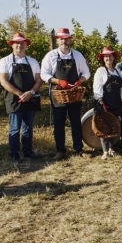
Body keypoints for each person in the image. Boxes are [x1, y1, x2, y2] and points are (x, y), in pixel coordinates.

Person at [41, 27, 91, 160]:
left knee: (75, 122)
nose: (64, 41)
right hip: (58, 96)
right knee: (59, 123)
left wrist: (80, 81)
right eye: (61, 39)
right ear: (57, 40)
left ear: (70, 40)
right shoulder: (51, 56)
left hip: (74, 94)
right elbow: (44, 74)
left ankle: (78, 149)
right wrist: (58, 81)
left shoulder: (77, 55)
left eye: (66, 39)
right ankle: (60, 150)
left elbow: (86, 72)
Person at [0, 32, 42, 164]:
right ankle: (14, 154)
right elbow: (4, 81)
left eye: (22, 43)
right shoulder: (5, 61)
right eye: (16, 43)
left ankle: (27, 151)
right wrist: (19, 93)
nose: (19, 45)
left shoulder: (33, 62)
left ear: (26, 45)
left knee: (28, 127)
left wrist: (31, 92)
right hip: (14, 99)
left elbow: (38, 80)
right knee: (15, 128)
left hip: (30, 98)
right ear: (12, 45)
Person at [93, 47, 122, 160]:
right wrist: (100, 102)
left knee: (115, 126)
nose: (108, 58)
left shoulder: (117, 71)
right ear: (103, 59)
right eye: (106, 56)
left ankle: (111, 148)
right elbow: (97, 87)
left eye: (110, 56)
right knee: (104, 127)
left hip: (116, 103)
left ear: (113, 58)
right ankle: (104, 151)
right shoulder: (101, 71)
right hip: (105, 103)